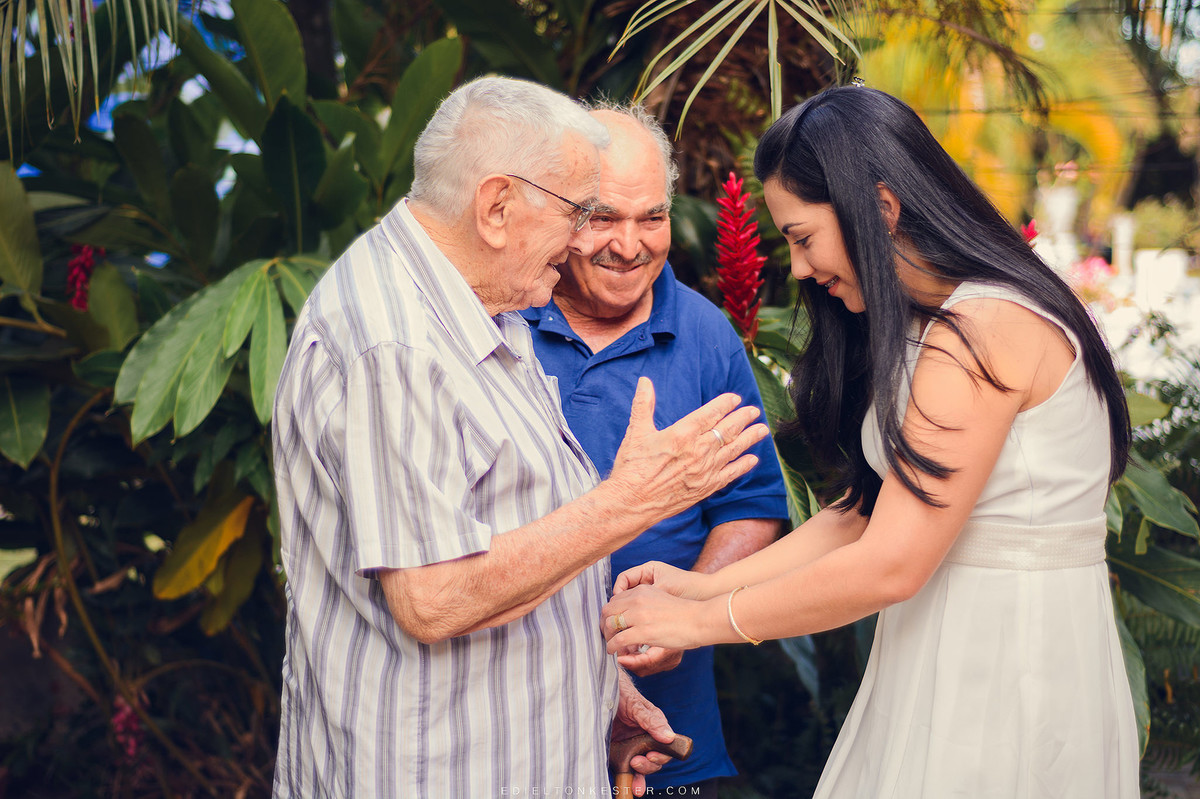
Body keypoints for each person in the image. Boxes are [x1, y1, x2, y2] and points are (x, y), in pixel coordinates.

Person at [600, 85, 1139, 798]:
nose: (796, 268)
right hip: (943, 647)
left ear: (880, 208)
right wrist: (703, 584)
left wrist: (700, 620)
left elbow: (890, 564)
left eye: (801, 237)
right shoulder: (939, 322)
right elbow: (858, 515)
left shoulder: (981, 330)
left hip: (1005, 662)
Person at [270, 75, 772, 797]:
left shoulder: (484, 305)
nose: (581, 241)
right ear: (497, 206)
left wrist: (600, 697)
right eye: (577, 212)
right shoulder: (397, 345)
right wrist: (627, 502)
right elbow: (436, 597)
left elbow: (510, 539)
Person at [522, 105, 789, 796]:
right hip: (517, 731)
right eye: (602, 217)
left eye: (652, 217)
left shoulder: (705, 334)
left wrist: (686, 615)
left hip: (669, 736)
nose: (630, 244)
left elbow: (752, 505)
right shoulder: (499, 323)